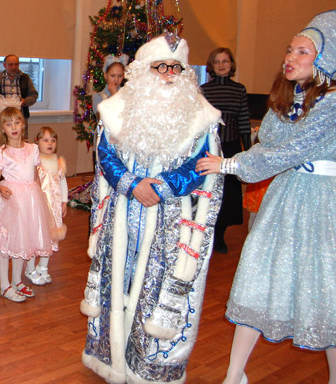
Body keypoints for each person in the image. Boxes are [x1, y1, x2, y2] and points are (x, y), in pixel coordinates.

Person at [196, 10, 336, 384]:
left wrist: (228, 164)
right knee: (257, 275)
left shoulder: (333, 103)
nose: (290, 57)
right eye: (290, 49)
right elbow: (269, 142)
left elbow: (289, 151)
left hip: (321, 202)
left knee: (324, 288)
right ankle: (234, 375)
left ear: (325, 59)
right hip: (286, 195)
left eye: (302, 52)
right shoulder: (288, 97)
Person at [81, 33, 223, 383]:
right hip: (122, 215)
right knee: (118, 283)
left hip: (171, 219)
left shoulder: (202, 116)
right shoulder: (115, 110)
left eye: (176, 67)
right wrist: (132, 184)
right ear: (144, 70)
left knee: (156, 290)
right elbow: (105, 155)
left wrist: (161, 187)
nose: (169, 74)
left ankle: (149, 369)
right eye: (161, 66)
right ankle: (112, 358)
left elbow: (202, 164)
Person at [0, 107, 55, 303]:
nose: (14, 127)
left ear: (23, 124)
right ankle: (4, 285)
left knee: (22, 242)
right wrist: (1, 189)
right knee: (5, 244)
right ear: (2, 129)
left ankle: (17, 281)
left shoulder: (33, 149)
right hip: (10, 202)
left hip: (30, 201)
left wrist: (40, 199)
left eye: (17, 123)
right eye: (8, 124)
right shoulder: (1, 152)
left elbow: (35, 177)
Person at [200, 47, 252, 253]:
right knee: (207, 190)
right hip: (208, 148)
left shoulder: (240, 90)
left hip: (231, 148)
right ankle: (205, 234)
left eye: (225, 61)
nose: (221, 65)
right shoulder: (203, 90)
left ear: (231, 65)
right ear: (211, 66)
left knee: (228, 194)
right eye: (217, 61)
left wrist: (247, 151)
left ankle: (219, 236)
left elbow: (244, 122)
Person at [24, 127, 68, 286]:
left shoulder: (59, 163)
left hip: (53, 208)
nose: (50, 143)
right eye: (45, 140)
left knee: (50, 238)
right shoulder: (35, 163)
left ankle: (43, 266)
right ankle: (30, 269)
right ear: (37, 142)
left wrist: (64, 202)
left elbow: (63, 183)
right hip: (38, 207)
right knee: (35, 238)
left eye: (53, 140)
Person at [0, 54, 38, 138]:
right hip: (2, 120)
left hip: (20, 119)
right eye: (10, 64)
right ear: (4, 65)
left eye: (16, 64)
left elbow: (33, 95)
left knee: (22, 142)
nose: (13, 67)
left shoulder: (25, 78)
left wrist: (25, 101)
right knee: (3, 142)